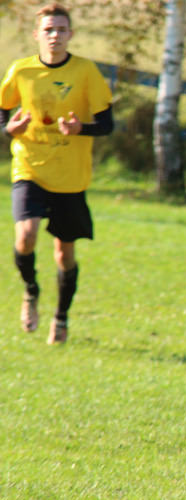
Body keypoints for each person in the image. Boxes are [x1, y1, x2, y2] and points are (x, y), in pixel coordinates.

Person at [1, 3, 113, 344]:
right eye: (48, 30)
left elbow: (107, 124)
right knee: (26, 235)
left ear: (71, 35)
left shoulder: (86, 72)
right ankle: (31, 291)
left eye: (61, 30)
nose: (55, 36)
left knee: (64, 254)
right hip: (29, 168)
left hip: (71, 177)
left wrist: (81, 129)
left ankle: (61, 317)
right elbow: (2, 117)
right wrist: (9, 131)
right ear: (37, 35)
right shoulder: (21, 71)